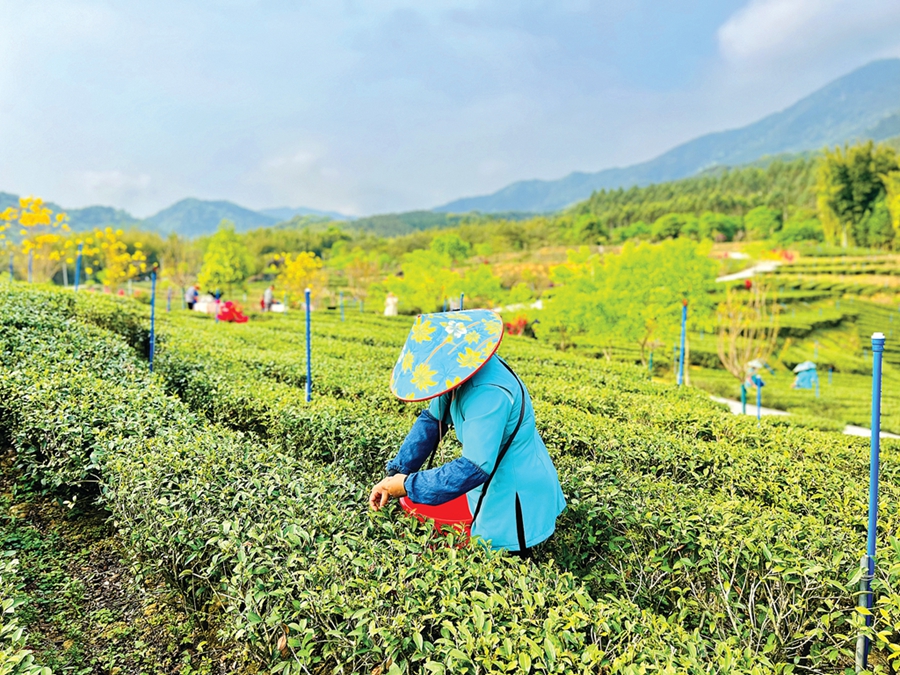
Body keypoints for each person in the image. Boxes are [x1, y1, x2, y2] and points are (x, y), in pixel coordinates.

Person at [369, 309, 565, 557]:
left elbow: (474, 467)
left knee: (506, 561)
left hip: (515, 492)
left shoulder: (489, 392)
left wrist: (408, 485)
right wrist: (396, 473)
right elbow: (431, 422)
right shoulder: (456, 372)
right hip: (487, 487)